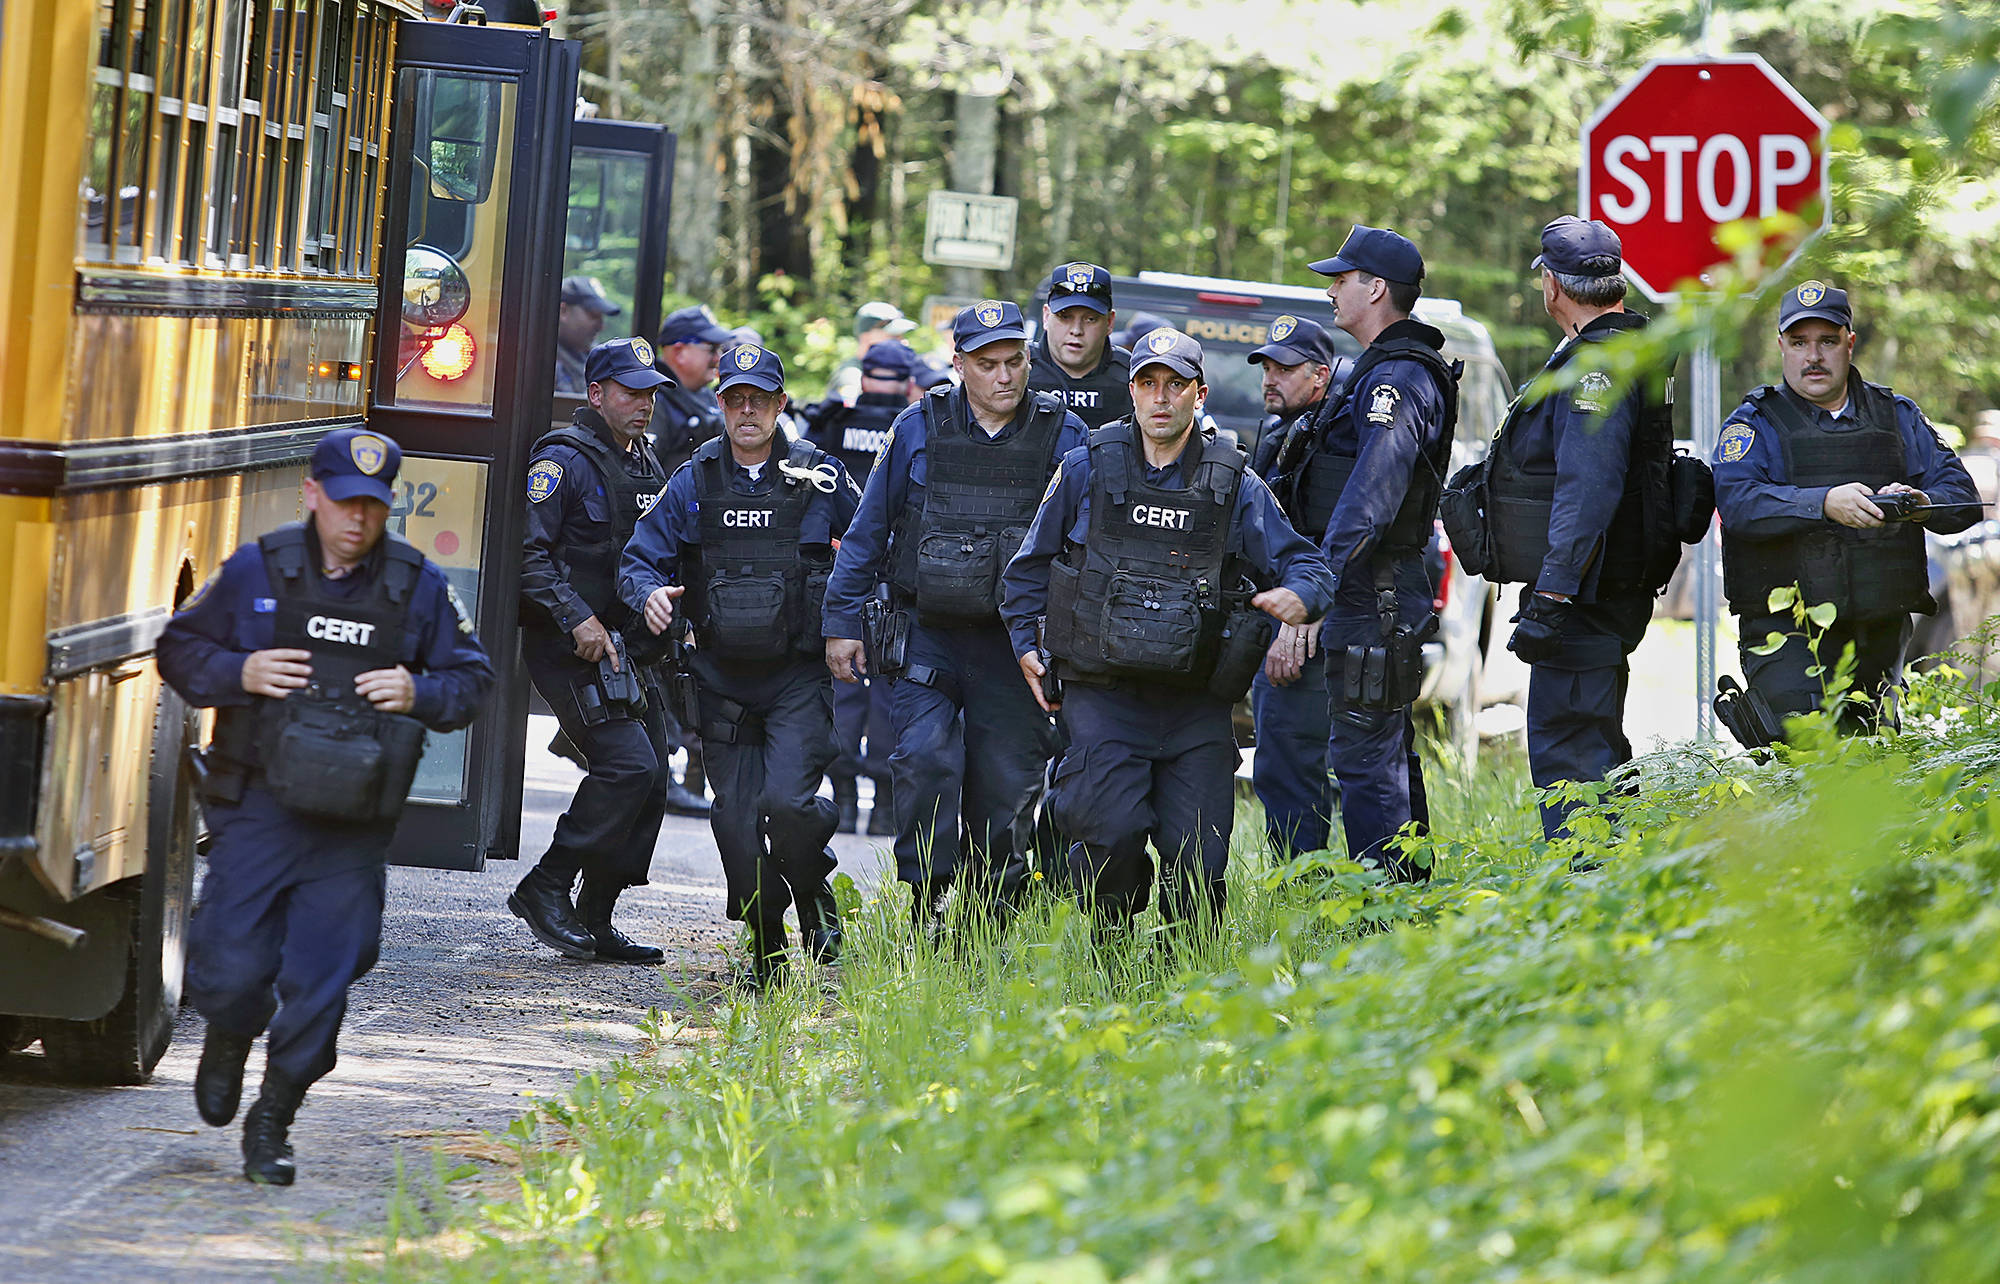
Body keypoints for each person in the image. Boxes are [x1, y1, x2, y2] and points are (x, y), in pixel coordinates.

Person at [156, 428, 495, 1185]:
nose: (358, 520)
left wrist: (420, 691)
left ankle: (273, 1117)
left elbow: (473, 680)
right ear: (313, 493)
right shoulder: (258, 568)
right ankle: (230, 1034)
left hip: (351, 829)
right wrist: (240, 669)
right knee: (227, 970)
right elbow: (178, 650)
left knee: (322, 981)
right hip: (259, 809)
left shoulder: (417, 586)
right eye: (344, 502)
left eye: (373, 506)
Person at [1001, 329, 1335, 930]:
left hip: (1194, 704)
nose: (1161, 398)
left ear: (1198, 394)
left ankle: (1185, 984)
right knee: (1111, 839)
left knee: (1200, 866)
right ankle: (1115, 963)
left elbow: (1308, 562)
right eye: (1149, 383)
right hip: (1103, 698)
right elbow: (1027, 570)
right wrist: (1027, 645)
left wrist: (1300, 596)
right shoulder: (1086, 468)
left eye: (1175, 385)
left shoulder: (1232, 482)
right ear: (1132, 390)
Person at [823, 300, 1088, 931]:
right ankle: (928, 895)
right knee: (924, 759)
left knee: (1005, 790)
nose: (1005, 377)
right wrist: (841, 622)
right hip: (927, 633)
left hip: (1014, 648)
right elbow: (869, 531)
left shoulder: (1063, 434)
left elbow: (1085, 548)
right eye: (988, 364)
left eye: (1015, 361)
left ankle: (988, 916)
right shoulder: (920, 426)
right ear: (959, 364)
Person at [622, 344, 861, 988]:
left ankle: (813, 895)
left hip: (796, 676)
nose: (747, 409)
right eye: (735, 397)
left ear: (781, 404)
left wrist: (850, 627)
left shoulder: (819, 475)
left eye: (760, 398)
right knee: (732, 821)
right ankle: (765, 947)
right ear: (720, 403)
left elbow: (869, 549)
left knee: (787, 805)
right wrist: (646, 593)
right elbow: (638, 558)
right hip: (720, 680)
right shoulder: (693, 479)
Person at [1485, 216, 1682, 837]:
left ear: (1552, 287)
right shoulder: (1624, 348)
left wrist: (1552, 594)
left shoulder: (1598, 366)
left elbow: (1587, 488)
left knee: (1573, 758)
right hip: (1603, 586)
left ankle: (1587, 903)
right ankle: (1611, 895)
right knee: (1593, 751)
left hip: (1585, 595)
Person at [1714, 281, 1980, 734]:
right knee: (1807, 758)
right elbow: (1739, 502)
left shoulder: (1896, 415)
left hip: (1878, 627)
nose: (1812, 356)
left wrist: (1920, 504)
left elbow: (1963, 496)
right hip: (1790, 634)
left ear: (1849, 343)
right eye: (1799, 343)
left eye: (1827, 341)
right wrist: (1823, 503)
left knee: (1872, 765)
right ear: (1781, 346)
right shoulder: (1755, 423)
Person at [512, 337, 684, 966]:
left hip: (629, 648)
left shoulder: (645, 461)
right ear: (596, 394)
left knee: (652, 779)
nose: (644, 405)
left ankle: (596, 916)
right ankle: (546, 886)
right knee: (627, 766)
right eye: (631, 392)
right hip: (570, 646)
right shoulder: (562, 460)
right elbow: (528, 556)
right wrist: (577, 618)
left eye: (650, 394)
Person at [1303, 226, 1461, 881]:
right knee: (1384, 750)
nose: (1332, 289)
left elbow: (1372, 495)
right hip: (1376, 590)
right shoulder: (1383, 370)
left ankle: (1384, 915)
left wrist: (1317, 583)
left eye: (1342, 278)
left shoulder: (1397, 379)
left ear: (1376, 289)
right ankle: (1408, 904)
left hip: (1376, 592)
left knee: (1369, 762)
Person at [1243, 314, 1350, 859]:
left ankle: (1306, 889)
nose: (1270, 379)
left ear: (1320, 376)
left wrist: (1302, 618)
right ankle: (1303, 889)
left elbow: (1332, 542)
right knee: (1284, 763)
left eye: (1285, 369)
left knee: (1292, 762)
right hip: (1284, 618)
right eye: (1266, 366)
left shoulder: (1332, 439)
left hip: (1310, 626)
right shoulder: (1290, 431)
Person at [806, 340, 918, 834]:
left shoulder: (835, 422)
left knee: (845, 688)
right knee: (888, 691)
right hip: (895, 576)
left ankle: (848, 800)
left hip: (842, 570)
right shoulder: (919, 424)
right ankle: (881, 810)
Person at [1029, 262, 1133, 430]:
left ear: (1109, 322)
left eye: (1090, 319)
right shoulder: (1017, 371)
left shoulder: (1132, 375)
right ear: (1046, 317)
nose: (1076, 330)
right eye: (1065, 317)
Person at [652, 304, 735, 477]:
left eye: (720, 349)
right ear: (679, 352)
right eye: (711, 349)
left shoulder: (705, 395)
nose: (718, 358)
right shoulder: (652, 400)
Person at [824, 301, 919, 405]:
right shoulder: (851, 376)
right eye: (893, 337)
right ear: (866, 337)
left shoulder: (896, 370)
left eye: (902, 336)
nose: (903, 342)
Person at [555, 276, 621, 395]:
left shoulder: (593, 359)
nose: (601, 326)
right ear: (563, 311)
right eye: (594, 315)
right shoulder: (539, 361)